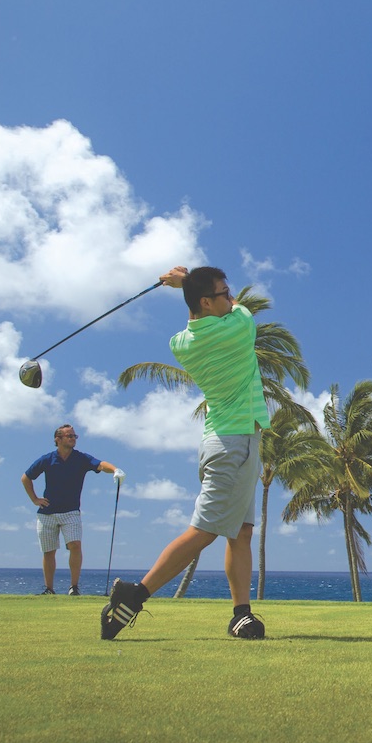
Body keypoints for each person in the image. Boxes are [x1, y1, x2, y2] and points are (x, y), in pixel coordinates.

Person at [101, 266, 271, 640]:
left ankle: (240, 613)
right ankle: (134, 596)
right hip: (234, 444)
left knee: (240, 532)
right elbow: (241, 309)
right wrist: (188, 281)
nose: (231, 298)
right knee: (204, 531)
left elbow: (197, 316)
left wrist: (188, 286)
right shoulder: (238, 327)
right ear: (208, 302)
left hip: (226, 441)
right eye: (224, 293)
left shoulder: (180, 343)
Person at [22, 425, 125, 595]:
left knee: (75, 545)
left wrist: (115, 470)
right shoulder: (47, 459)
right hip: (47, 512)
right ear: (58, 439)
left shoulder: (80, 458)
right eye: (69, 436)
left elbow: (100, 465)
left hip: (71, 512)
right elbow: (26, 478)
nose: (73, 438)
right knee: (49, 552)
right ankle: (49, 589)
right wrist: (34, 499)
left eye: (74, 436)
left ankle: (74, 587)